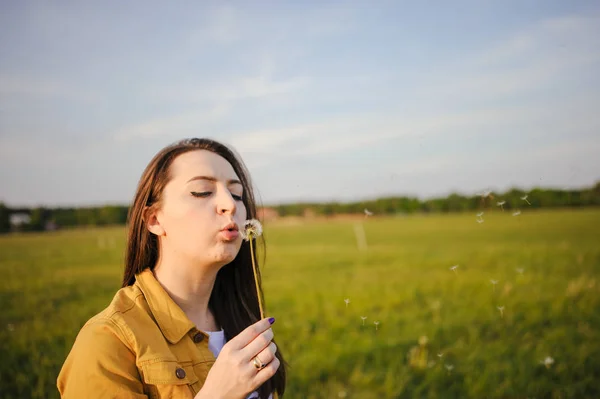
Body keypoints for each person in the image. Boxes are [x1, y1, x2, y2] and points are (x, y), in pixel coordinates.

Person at [57, 138, 286, 399]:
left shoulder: (240, 318)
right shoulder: (108, 342)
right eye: (202, 191)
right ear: (154, 220)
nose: (230, 205)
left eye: (237, 194)